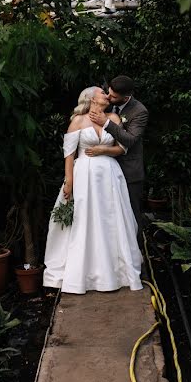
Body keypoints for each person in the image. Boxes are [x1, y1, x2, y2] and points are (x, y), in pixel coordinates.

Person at [43, 86, 143, 294]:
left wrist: (102, 150)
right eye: (101, 92)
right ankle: (82, 273)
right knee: (85, 220)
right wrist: (69, 181)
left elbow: (122, 148)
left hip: (109, 175)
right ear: (90, 98)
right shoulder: (78, 120)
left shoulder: (114, 120)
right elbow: (69, 154)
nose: (106, 95)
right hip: (84, 177)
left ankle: (114, 272)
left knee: (110, 219)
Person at [88, 75, 149, 236]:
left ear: (126, 97)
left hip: (129, 172)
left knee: (131, 216)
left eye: (114, 96)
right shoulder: (107, 104)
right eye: (108, 93)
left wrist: (107, 123)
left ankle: (135, 257)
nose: (109, 97)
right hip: (105, 172)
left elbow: (130, 140)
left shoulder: (139, 111)